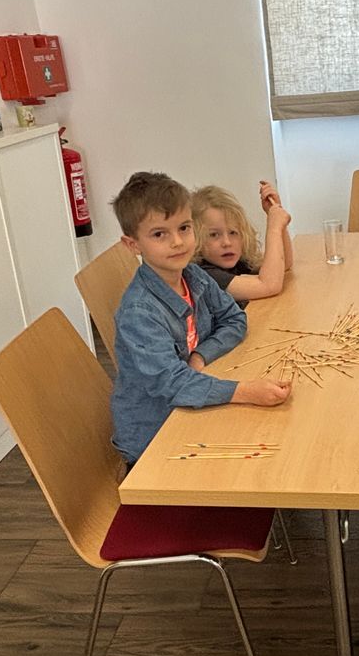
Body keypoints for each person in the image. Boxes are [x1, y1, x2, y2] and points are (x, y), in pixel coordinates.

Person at [109, 172, 291, 466]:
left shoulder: (193, 276)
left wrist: (200, 355)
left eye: (184, 228)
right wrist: (244, 391)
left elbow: (234, 319)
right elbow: (173, 384)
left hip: (193, 405)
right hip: (156, 439)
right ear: (133, 245)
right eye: (160, 234)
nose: (178, 242)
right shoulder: (139, 313)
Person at [192, 181, 294, 309]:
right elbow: (269, 285)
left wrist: (275, 211)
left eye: (233, 232)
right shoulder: (206, 275)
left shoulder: (237, 262)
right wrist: (274, 227)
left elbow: (284, 264)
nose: (227, 242)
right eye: (214, 235)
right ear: (195, 239)